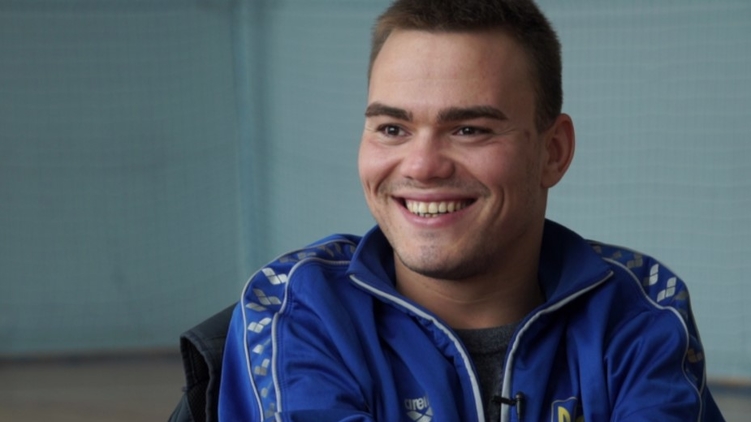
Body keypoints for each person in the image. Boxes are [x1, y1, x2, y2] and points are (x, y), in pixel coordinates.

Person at [217, 0, 725, 421]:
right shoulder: (295, 308)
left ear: (553, 152)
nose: (422, 166)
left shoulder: (641, 310)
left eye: (469, 130)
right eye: (392, 128)